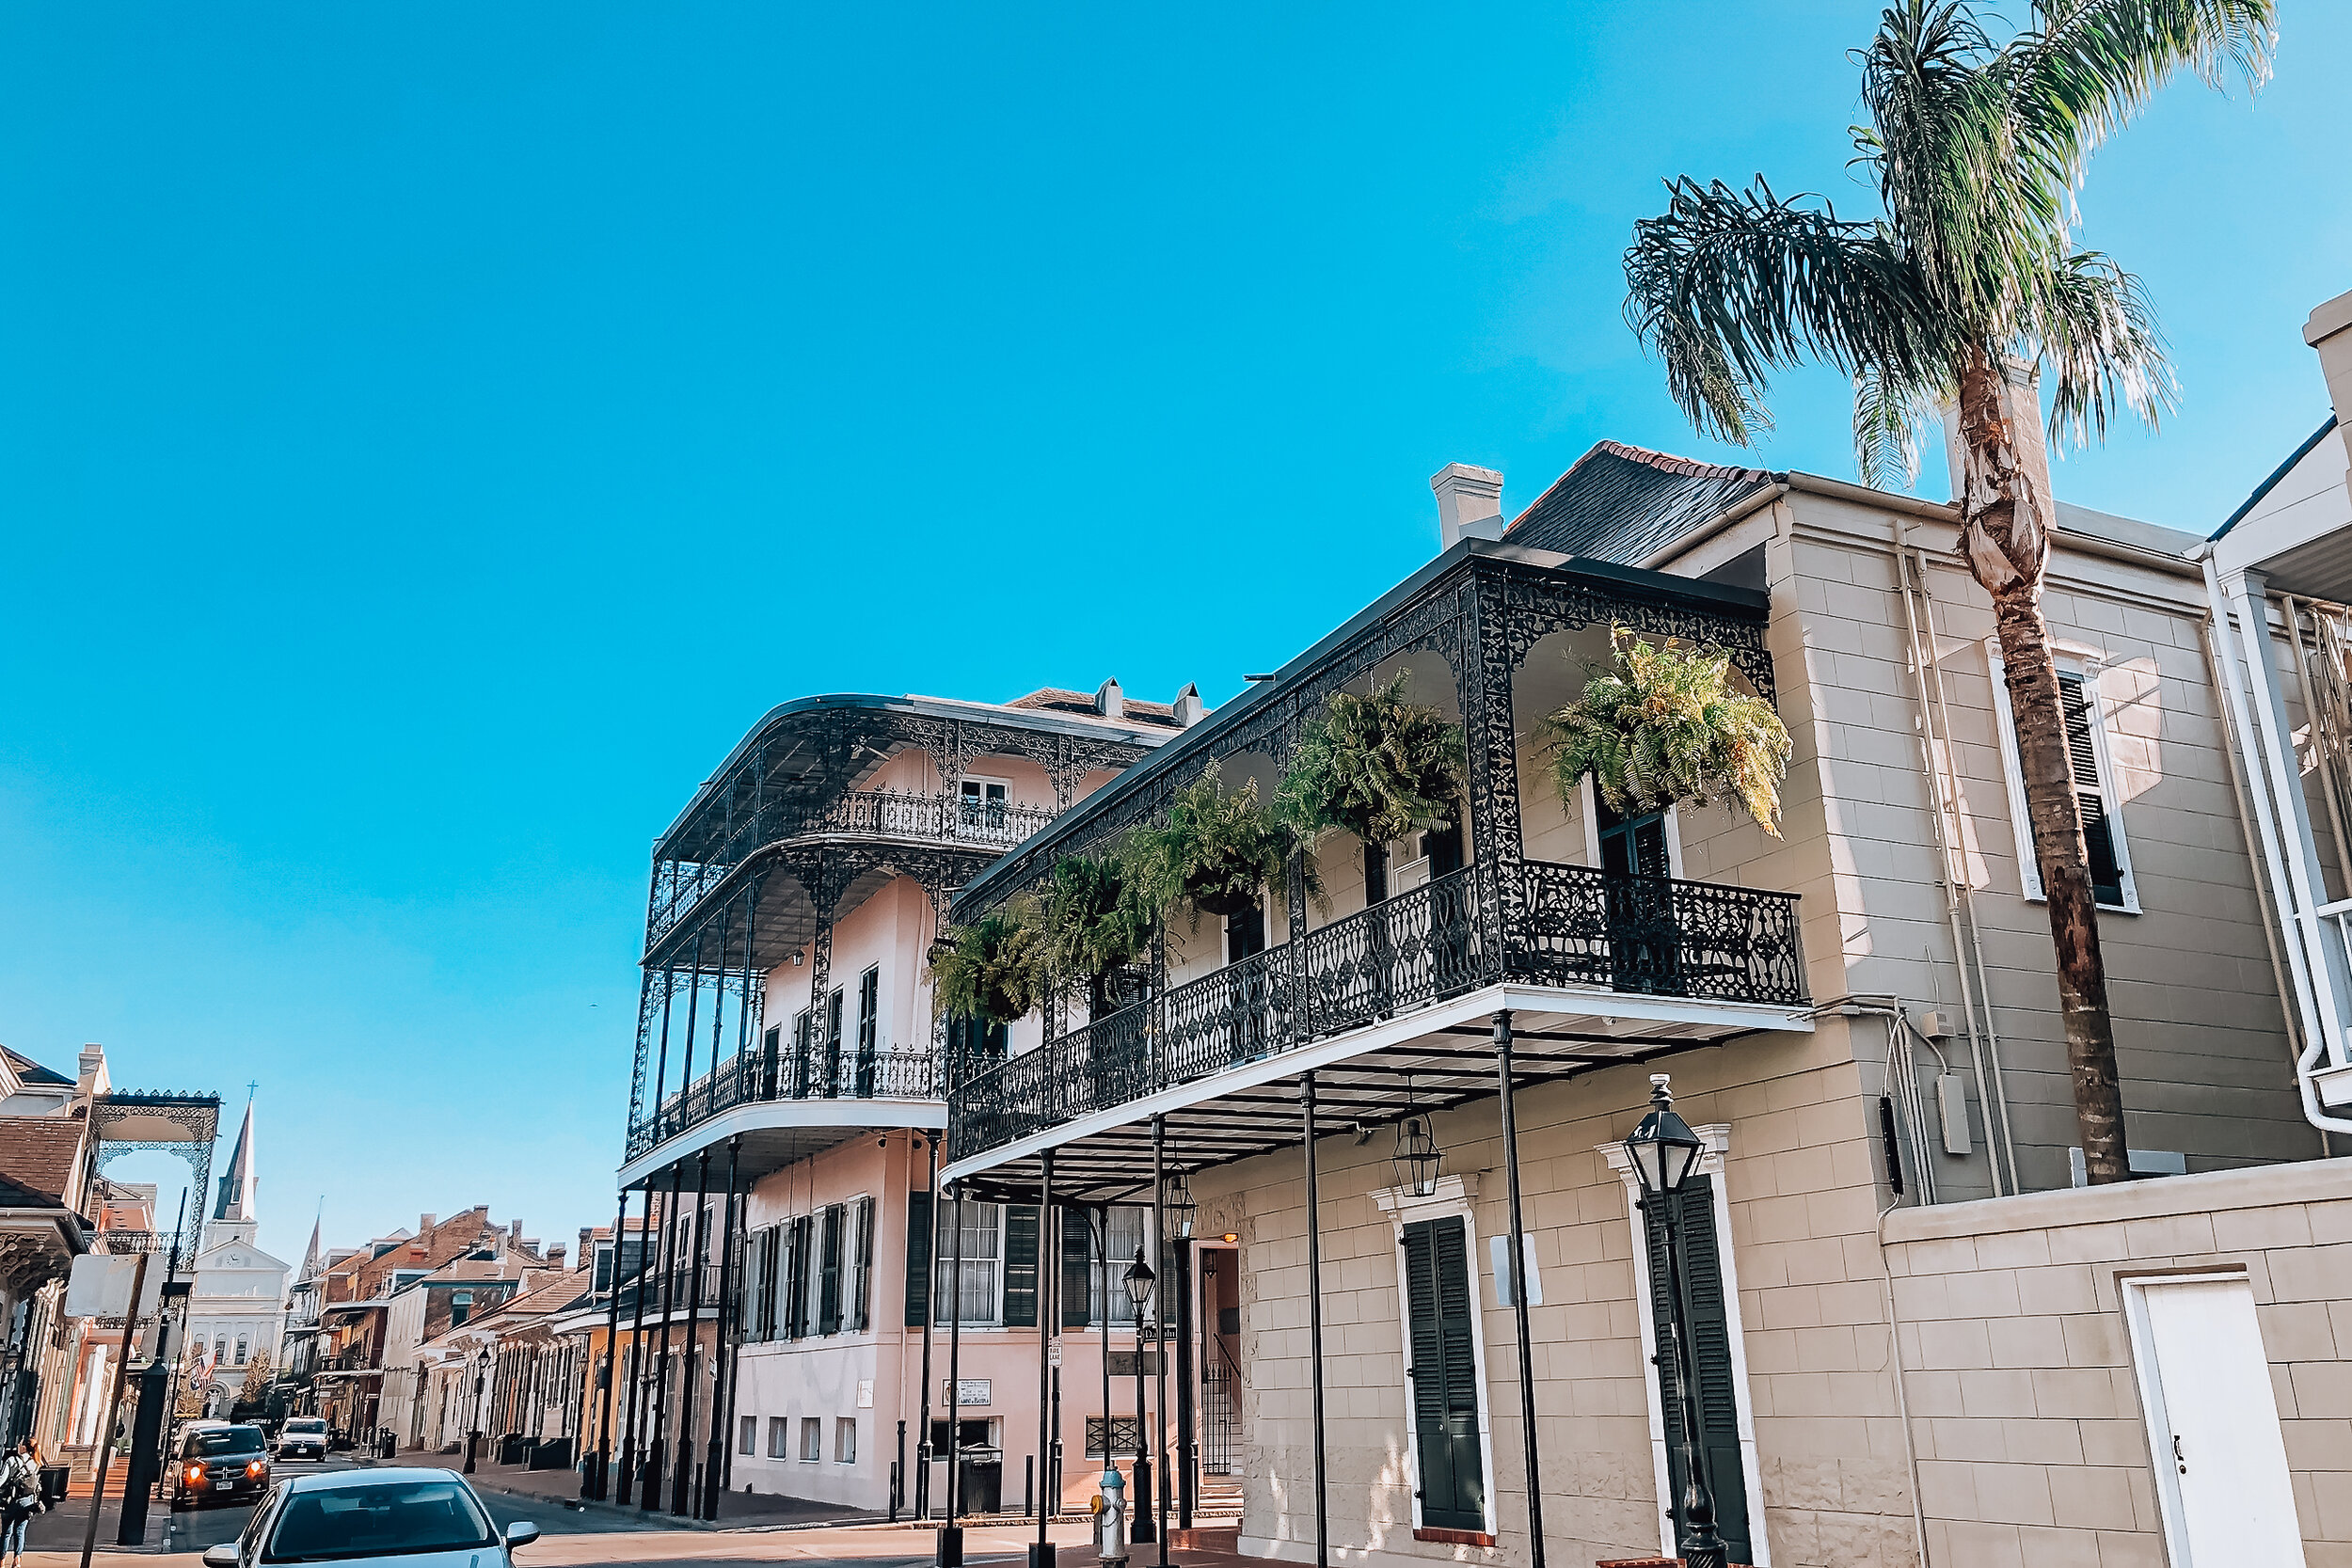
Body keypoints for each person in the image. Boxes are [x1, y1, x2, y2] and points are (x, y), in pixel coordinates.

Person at [1, 1438, 40, 1566]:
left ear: (23, 1447)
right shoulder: (36, 1462)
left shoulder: (12, 1460)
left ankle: (1, 1560)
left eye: (20, 1443)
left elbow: (1, 1480)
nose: (18, 1445)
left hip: (11, 1500)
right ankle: (17, 1560)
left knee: (6, 1532)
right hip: (27, 1501)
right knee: (20, 1530)